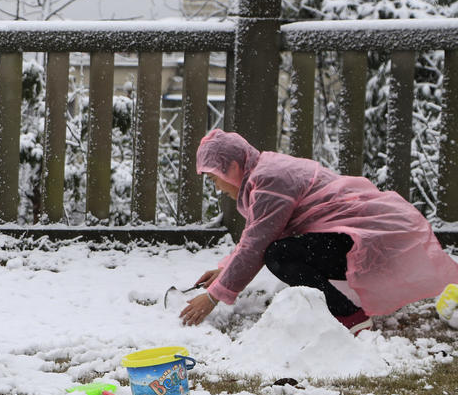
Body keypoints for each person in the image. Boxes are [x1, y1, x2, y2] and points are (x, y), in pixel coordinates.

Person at [180, 129, 458, 333]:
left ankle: (351, 318)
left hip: (371, 241)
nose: (217, 187)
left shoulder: (270, 180)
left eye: (215, 178)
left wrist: (214, 296)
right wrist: (224, 271)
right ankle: (347, 312)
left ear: (232, 167)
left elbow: (257, 244)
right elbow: (257, 231)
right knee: (278, 250)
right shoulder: (263, 173)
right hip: (362, 238)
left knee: (278, 255)